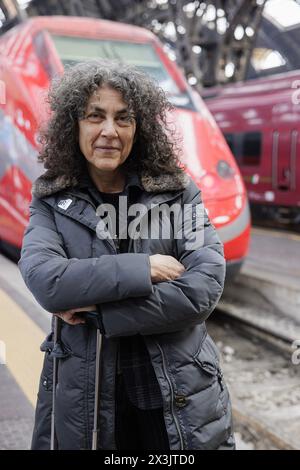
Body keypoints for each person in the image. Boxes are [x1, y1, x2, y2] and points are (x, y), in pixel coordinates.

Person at [18, 60, 235, 450]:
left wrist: (97, 311)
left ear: (140, 128)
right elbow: (47, 280)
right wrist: (143, 268)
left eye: (123, 118)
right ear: (74, 126)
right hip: (87, 396)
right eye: (94, 116)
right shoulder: (51, 201)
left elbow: (203, 288)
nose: (109, 131)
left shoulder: (178, 192)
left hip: (177, 396)